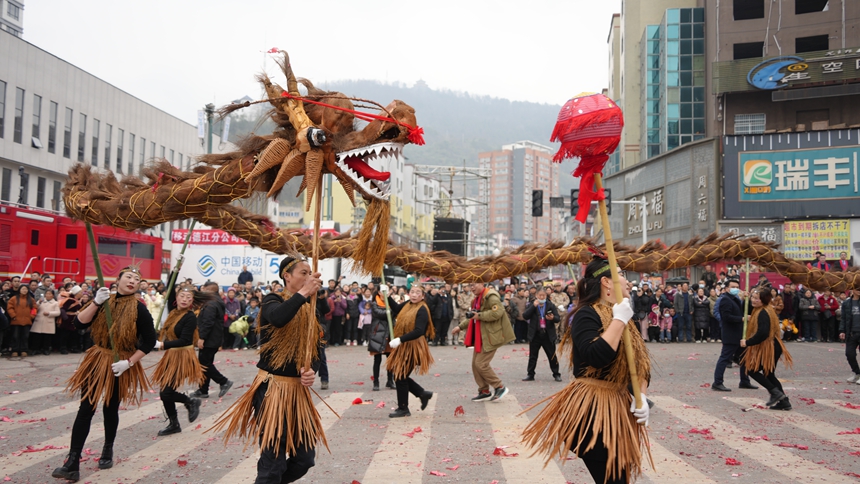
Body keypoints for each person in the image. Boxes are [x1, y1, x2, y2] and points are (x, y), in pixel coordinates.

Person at [522, 257, 650, 484]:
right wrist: (618, 321)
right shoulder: (585, 314)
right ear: (606, 282)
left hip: (618, 409)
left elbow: (639, 365)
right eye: (621, 274)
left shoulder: (622, 314)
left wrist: (641, 396)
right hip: (594, 412)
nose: (627, 281)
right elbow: (596, 356)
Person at [211, 255, 326, 484]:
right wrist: (303, 294)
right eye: (303, 272)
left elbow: (317, 345)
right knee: (273, 459)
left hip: (297, 393)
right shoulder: (273, 300)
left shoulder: (311, 307)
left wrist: (311, 370)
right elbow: (278, 318)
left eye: (310, 273)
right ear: (287, 275)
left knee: (305, 458)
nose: (309, 277)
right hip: (273, 390)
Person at [52, 265, 156, 482]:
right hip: (97, 359)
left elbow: (149, 341)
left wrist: (128, 363)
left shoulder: (140, 309)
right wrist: (97, 302)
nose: (132, 281)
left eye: (136, 279)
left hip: (119, 363)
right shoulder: (103, 300)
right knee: (85, 408)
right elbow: (79, 323)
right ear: (117, 279)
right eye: (128, 276)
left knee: (110, 408)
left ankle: (108, 449)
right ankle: (72, 461)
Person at [150, 285, 207, 436]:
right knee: (165, 392)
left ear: (192, 301)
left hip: (182, 357)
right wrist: (176, 270)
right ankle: (174, 423)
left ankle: (190, 402)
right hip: (171, 355)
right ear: (176, 297)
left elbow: (185, 340)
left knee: (166, 393)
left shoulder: (190, 317)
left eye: (189, 298)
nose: (185, 300)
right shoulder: (173, 312)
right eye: (182, 296)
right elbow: (169, 289)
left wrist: (162, 344)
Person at [451, 282, 516, 402]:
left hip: (491, 336)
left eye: (474, 284)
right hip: (480, 336)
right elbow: (473, 316)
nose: (472, 287)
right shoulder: (476, 299)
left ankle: (499, 386)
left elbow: (498, 312)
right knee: (475, 365)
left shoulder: (491, 296)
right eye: (470, 285)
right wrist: (460, 327)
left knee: (481, 364)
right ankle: (484, 390)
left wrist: (479, 315)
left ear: (481, 283)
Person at [383, 285, 435, 417]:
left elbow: (419, 331)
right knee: (400, 376)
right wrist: (387, 295)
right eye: (412, 292)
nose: (414, 294)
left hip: (414, 346)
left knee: (400, 376)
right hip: (405, 344)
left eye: (418, 293)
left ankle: (404, 408)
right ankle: (422, 394)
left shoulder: (422, 309)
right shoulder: (408, 304)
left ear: (422, 296)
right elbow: (396, 308)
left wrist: (400, 339)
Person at [740, 287, 794, 410]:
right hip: (772, 345)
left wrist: (748, 342)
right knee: (769, 374)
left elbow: (762, 333)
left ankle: (775, 393)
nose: (753, 300)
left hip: (770, 346)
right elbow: (747, 310)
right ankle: (783, 401)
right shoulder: (761, 309)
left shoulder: (764, 312)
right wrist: (745, 299)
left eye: (756, 298)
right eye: (752, 298)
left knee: (751, 370)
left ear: (763, 300)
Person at [711, 279, 757, 392]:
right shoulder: (725, 300)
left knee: (744, 358)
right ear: (726, 288)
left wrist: (746, 299)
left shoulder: (735, 299)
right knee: (725, 358)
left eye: (737, 286)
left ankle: (745, 381)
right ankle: (717, 382)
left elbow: (741, 310)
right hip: (731, 334)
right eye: (733, 286)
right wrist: (742, 319)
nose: (736, 288)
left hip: (740, 334)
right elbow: (726, 317)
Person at [191, 281, 233, 399]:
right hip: (214, 338)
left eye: (204, 288)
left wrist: (202, 338)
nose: (202, 290)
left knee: (204, 364)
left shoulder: (211, 303)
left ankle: (223, 381)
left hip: (210, 339)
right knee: (206, 364)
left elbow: (208, 322)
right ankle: (203, 390)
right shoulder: (215, 301)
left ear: (210, 290)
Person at [521, 289, 561, 382]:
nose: (542, 297)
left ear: (546, 296)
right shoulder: (532, 304)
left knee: (552, 356)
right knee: (533, 356)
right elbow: (525, 316)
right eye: (540, 295)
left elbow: (557, 318)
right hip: (535, 335)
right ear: (536, 296)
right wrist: (533, 307)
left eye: (543, 295)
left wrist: (552, 318)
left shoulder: (550, 305)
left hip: (547, 334)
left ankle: (556, 374)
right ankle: (530, 374)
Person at [367, 288, 395, 391]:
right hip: (378, 334)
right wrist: (390, 310)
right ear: (379, 292)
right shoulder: (374, 304)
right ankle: (376, 382)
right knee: (377, 360)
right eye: (384, 291)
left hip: (389, 334)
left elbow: (395, 312)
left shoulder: (391, 302)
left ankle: (390, 380)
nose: (387, 293)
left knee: (390, 359)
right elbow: (381, 314)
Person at [7, 285, 36, 357]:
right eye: (23, 289)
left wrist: (31, 316)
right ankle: (15, 350)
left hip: (27, 321)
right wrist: (13, 316)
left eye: (25, 289)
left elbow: (34, 308)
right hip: (16, 321)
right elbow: (10, 308)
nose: (24, 290)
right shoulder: (13, 298)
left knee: (25, 336)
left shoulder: (31, 299)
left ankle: (24, 350)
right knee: (15, 336)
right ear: (19, 290)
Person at [840, 289, 860, 384]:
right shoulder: (847, 303)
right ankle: (857, 372)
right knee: (849, 354)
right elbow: (843, 318)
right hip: (851, 332)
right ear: (853, 290)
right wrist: (842, 330)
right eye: (858, 289)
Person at [32, 289, 61, 355]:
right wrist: (39, 302)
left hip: (48, 321)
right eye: (47, 294)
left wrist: (49, 313)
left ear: (53, 295)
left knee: (47, 337)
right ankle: (35, 349)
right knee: (37, 336)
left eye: (50, 294)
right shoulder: (41, 301)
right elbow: (35, 308)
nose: (48, 295)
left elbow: (58, 312)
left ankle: (46, 349)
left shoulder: (55, 303)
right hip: (39, 320)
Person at [58, 286, 84, 354]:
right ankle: (63, 348)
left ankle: (73, 347)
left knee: (74, 335)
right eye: (80, 292)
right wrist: (65, 318)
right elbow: (63, 309)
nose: (82, 293)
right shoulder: (69, 300)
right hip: (68, 319)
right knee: (65, 334)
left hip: (74, 319)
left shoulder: (78, 301)